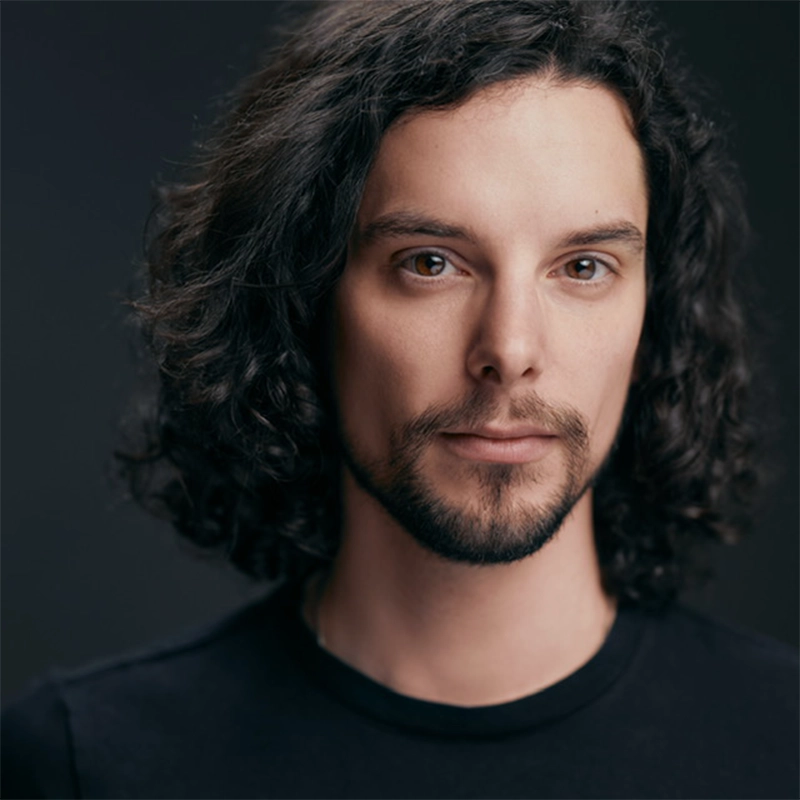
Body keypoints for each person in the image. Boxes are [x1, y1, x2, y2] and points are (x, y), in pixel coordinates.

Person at [3, 1, 797, 798]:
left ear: (652, 313)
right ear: (306, 302)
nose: (511, 351)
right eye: (430, 263)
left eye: (583, 267)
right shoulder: (84, 763)